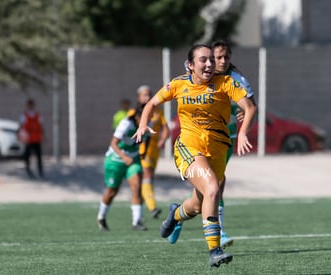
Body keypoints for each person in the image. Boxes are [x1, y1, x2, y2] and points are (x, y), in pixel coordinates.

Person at [132, 44, 256, 267]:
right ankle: (214, 250)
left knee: (198, 205)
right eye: (203, 60)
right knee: (213, 189)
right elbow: (152, 103)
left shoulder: (225, 83)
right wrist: (142, 125)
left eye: (211, 60)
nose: (209, 64)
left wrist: (244, 132)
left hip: (217, 148)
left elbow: (249, 107)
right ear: (190, 65)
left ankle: (176, 214)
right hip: (188, 147)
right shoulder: (179, 84)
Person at [168, 40, 256, 248]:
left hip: (226, 139)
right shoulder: (199, 79)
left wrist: (243, 121)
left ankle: (178, 215)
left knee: (203, 196)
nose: (222, 61)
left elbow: (251, 107)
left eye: (226, 57)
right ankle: (220, 234)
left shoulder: (236, 79)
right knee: (215, 185)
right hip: (198, 141)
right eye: (218, 57)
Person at [97, 104, 148, 232]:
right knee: (112, 191)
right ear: (137, 116)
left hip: (133, 160)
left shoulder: (149, 124)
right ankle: (101, 217)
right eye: (144, 116)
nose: (147, 118)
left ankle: (137, 221)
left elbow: (148, 139)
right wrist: (124, 157)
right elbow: (113, 143)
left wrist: (143, 153)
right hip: (115, 160)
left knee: (136, 187)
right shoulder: (126, 124)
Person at [134, 85, 170, 219]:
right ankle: (152, 207)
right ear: (139, 97)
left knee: (147, 178)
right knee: (146, 176)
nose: (147, 97)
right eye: (144, 95)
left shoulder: (157, 112)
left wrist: (162, 140)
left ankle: (139, 214)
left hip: (154, 149)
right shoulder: (136, 113)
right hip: (143, 149)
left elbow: (166, 129)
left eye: (149, 94)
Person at [18, 98, 44, 178]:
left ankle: (40, 171)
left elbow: (41, 126)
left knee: (39, 156)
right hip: (28, 140)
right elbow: (21, 127)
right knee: (27, 156)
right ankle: (28, 171)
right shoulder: (24, 115)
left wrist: (42, 135)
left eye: (32, 105)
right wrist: (20, 135)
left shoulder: (37, 115)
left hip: (36, 139)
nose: (30, 106)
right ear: (27, 106)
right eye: (29, 105)